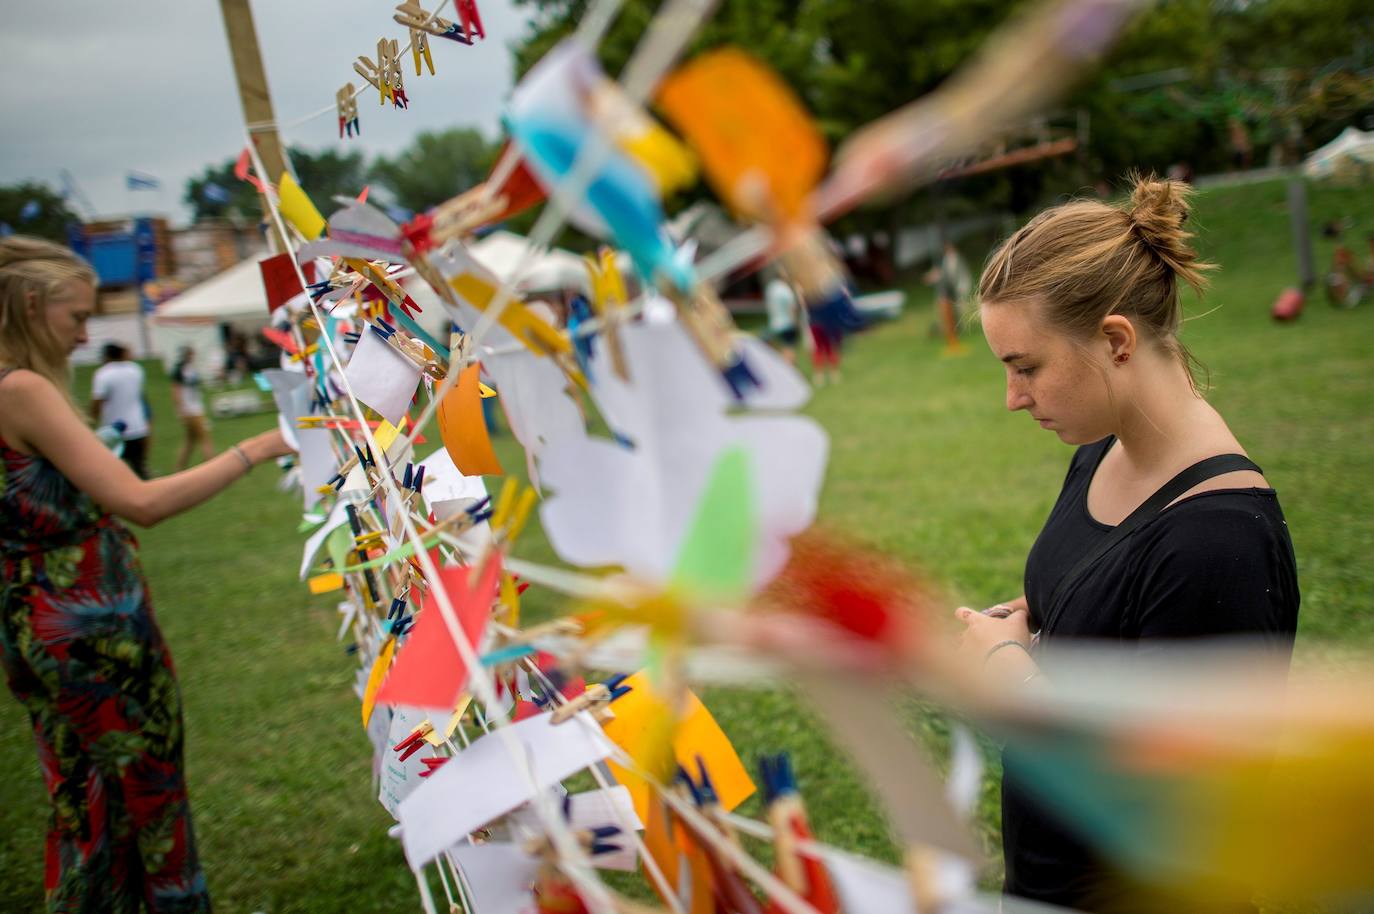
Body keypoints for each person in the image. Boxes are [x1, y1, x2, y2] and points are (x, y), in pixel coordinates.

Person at [952, 178, 1299, 912]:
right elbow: (1104, 620)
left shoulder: (1218, 541)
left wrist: (1006, 666)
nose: (1013, 398)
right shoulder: (1102, 452)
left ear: (1115, 340)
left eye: (1025, 366)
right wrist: (1033, 624)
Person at [0, 236, 291, 912]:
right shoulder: (22, 390)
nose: (82, 335)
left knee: (84, 796)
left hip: (34, 624)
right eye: (76, 317)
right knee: (147, 793)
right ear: (32, 305)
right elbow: (141, 501)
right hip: (92, 634)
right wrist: (260, 445)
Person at [91, 342, 151, 478]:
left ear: (107, 356)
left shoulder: (103, 374)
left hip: (113, 431)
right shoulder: (136, 369)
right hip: (138, 427)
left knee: (110, 475)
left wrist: (91, 422)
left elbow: (97, 402)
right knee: (139, 469)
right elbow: (140, 395)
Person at [170, 346, 214, 470]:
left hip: (195, 407)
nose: (192, 357)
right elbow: (175, 391)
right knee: (205, 439)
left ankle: (179, 467)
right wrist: (181, 410)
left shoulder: (191, 368)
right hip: (191, 410)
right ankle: (211, 467)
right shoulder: (179, 370)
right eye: (190, 354)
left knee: (190, 442)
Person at [763, 272, 800, 364]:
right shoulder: (785, 289)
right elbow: (792, 308)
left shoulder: (771, 288)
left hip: (774, 322)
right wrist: (795, 322)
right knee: (789, 348)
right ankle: (789, 369)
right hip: (787, 323)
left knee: (776, 348)